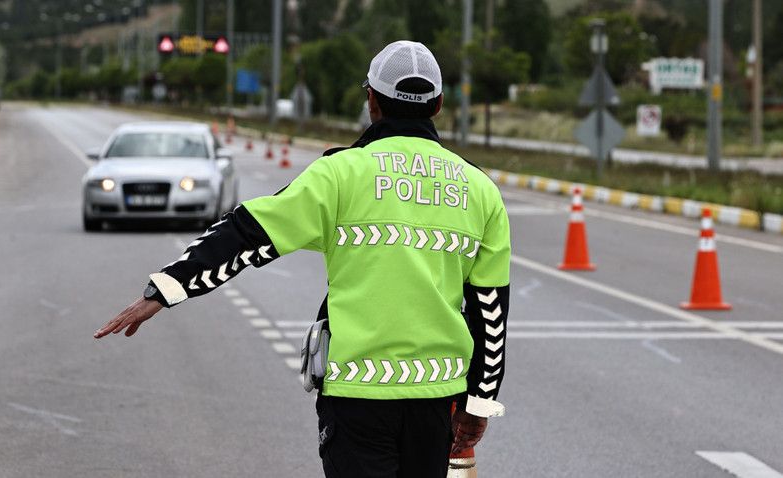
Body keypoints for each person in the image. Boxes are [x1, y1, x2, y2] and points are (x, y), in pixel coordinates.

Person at [95, 40, 510, 478]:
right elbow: (490, 311)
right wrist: (479, 402)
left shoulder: (340, 174)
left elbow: (248, 232)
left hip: (357, 396)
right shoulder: (480, 190)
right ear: (439, 105)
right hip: (437, 401)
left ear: (372, 100)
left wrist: (165, 288)